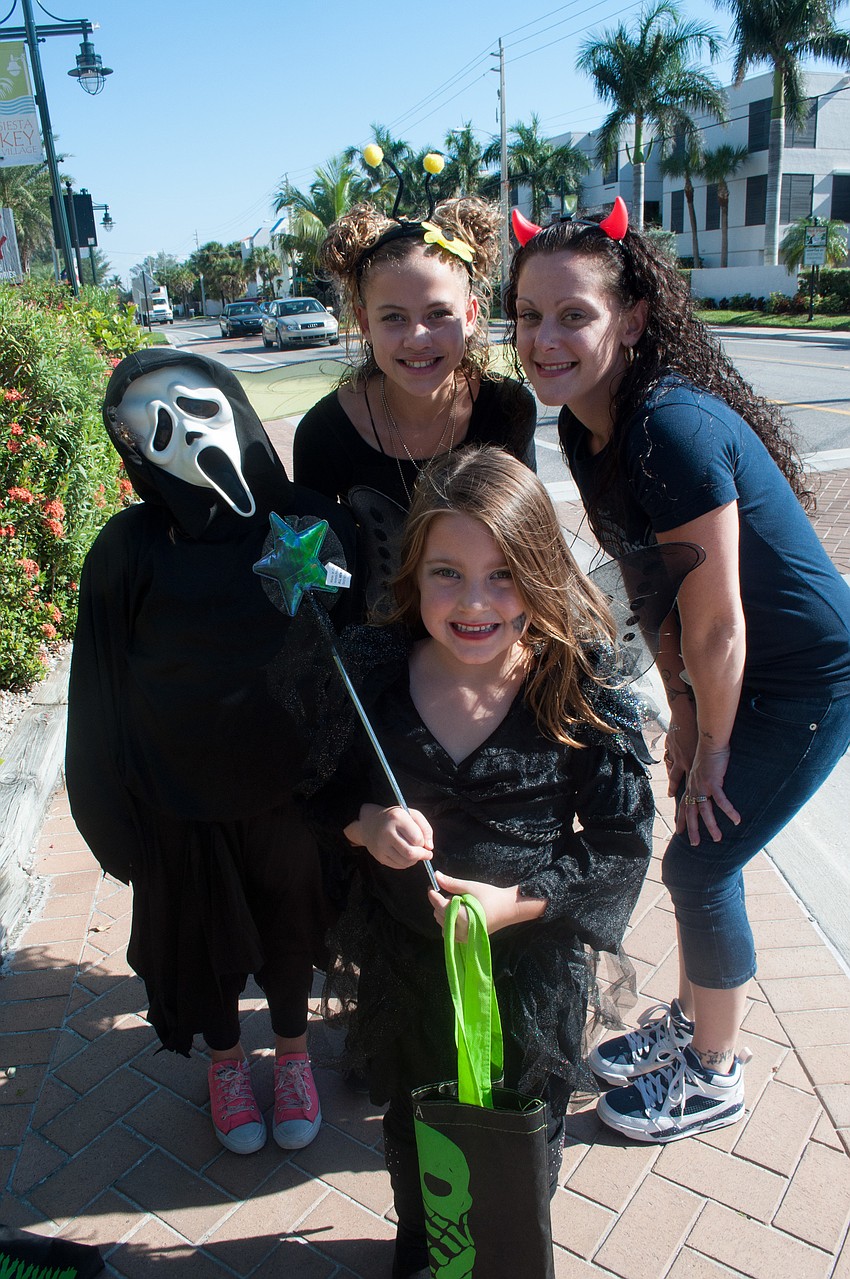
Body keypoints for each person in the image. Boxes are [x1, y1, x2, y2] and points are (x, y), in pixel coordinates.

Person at [506, 203, 850, 1143]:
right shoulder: (587, 427)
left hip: (808, 675)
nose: (543, 338)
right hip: (738, 666)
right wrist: (686, 719)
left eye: (573, 315)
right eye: (528, 315)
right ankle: (700, 1024)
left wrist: (713, 745)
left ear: (632, 319)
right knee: (700, 851)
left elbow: (720, 620)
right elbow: (656, 594)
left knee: (702, 859)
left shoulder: (670, 428)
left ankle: (716, 1066)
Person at [315, 447, 654, 1278]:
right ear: (412, 573)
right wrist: (365, 826)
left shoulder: (573, 684)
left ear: (539, 574)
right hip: (408, 969)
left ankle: (504, 1253)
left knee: (518, 1140)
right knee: (417, 1126)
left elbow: (618, 841)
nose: (474, 602)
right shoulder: (372, 676)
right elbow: (312, 797)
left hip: (527, 977)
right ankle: (423, 1243)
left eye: (503, 575)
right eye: (448, 573)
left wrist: (521, 901)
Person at [66, 349, 355, 1157]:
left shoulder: (304, 522)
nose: (185, 434)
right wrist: (106, 810)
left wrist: (353, 783)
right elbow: (97, 687)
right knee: (208, 939)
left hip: (289, 788)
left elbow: (354, 656)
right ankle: (227, 1064)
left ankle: (292, 1055)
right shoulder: (128, 549)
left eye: (194, 407)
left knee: (291, 927)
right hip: (178, 797)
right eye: (156, 427)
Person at [292, 196, 537, 516]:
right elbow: (309, 546)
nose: (418, 338)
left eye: (438, 314)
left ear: (470, 315)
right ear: (365, 324)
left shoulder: (508, 409)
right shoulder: (323, 433)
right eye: (394, 317)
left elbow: (528, 534)